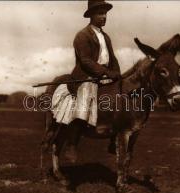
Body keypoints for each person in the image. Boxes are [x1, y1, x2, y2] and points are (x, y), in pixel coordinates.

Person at [42, 0, 121, 160]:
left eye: (105, 13)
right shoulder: (82, 35)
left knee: (121, 98)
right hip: (86, 76)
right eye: (100, 13)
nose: (104, 16)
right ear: (91, 15)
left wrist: (117, 74)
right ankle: (72, 144)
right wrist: (105, 71)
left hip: (105, 76)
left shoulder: (106, 37)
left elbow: (112, 58)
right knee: (85, 97)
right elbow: (86, 61)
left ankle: (113, 140)